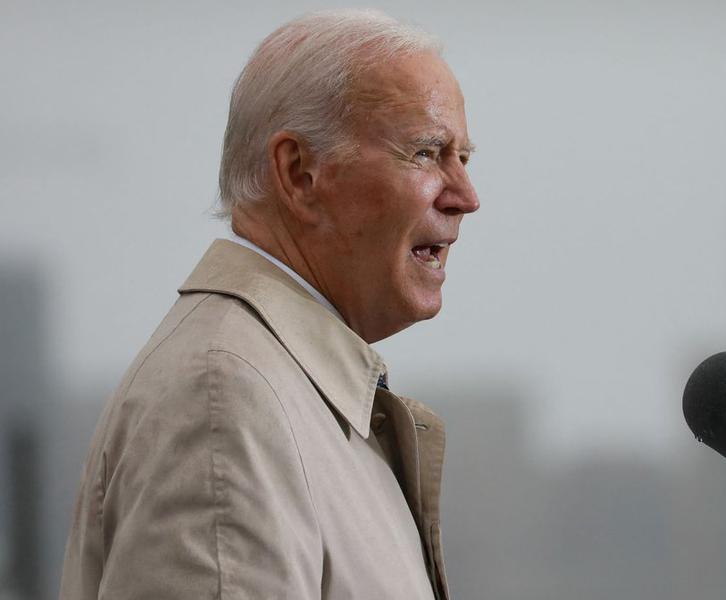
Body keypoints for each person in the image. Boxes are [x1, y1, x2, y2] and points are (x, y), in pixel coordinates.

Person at [59, 9, 478, 599]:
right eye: (427, 153)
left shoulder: (269, 394)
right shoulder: (224, 403)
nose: (466, 196)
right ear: (299, 172)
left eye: (465, 157)